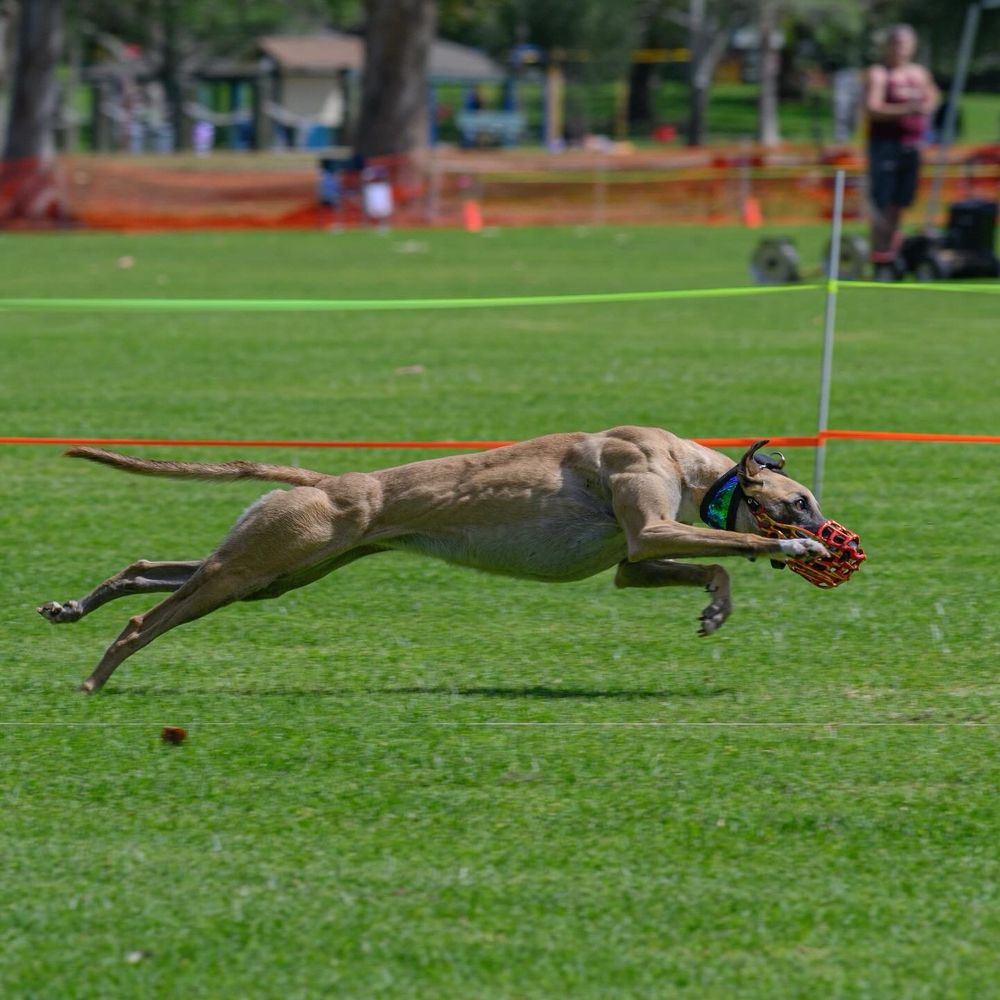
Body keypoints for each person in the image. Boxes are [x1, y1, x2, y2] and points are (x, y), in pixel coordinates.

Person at [864, 24, 940, 277]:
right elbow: (872, 108)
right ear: (888, 45)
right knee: (882, 202)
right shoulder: (879, 74)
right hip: (885, 145)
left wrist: (926, 106)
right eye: (897, 43)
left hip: (912, 145)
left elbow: (933, 96)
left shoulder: (919, 74)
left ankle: (891, 252)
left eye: (906, 44)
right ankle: (879, 255)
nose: (901, 49)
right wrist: (906, 109)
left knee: (899, 203)